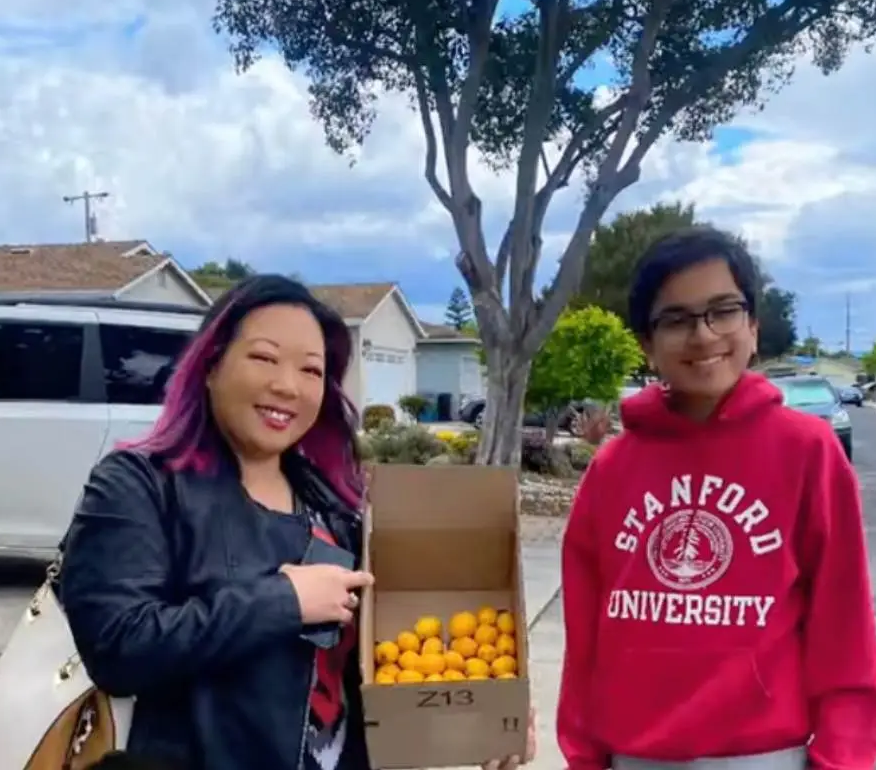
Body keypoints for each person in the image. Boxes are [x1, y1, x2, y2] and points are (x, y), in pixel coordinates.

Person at [58, 274, 531, 770]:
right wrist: (283, 600)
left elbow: (375, 660)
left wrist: (481, 711)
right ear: (211, 365)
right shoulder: (139, 484)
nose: (287, 386)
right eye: (263, 358)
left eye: (311, 370)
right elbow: (119, 648)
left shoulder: (331, 500)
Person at [556, 228, 876, 769]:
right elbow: (585, 641)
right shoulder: (612, 470)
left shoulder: (807, 451)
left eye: (722, 311)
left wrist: (842, 758)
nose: (704, 335)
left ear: (753, 326)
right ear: (646, 342)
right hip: (634, 757)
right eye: (676, 319)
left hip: (764, 756)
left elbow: (845, 631)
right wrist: (583, 757)